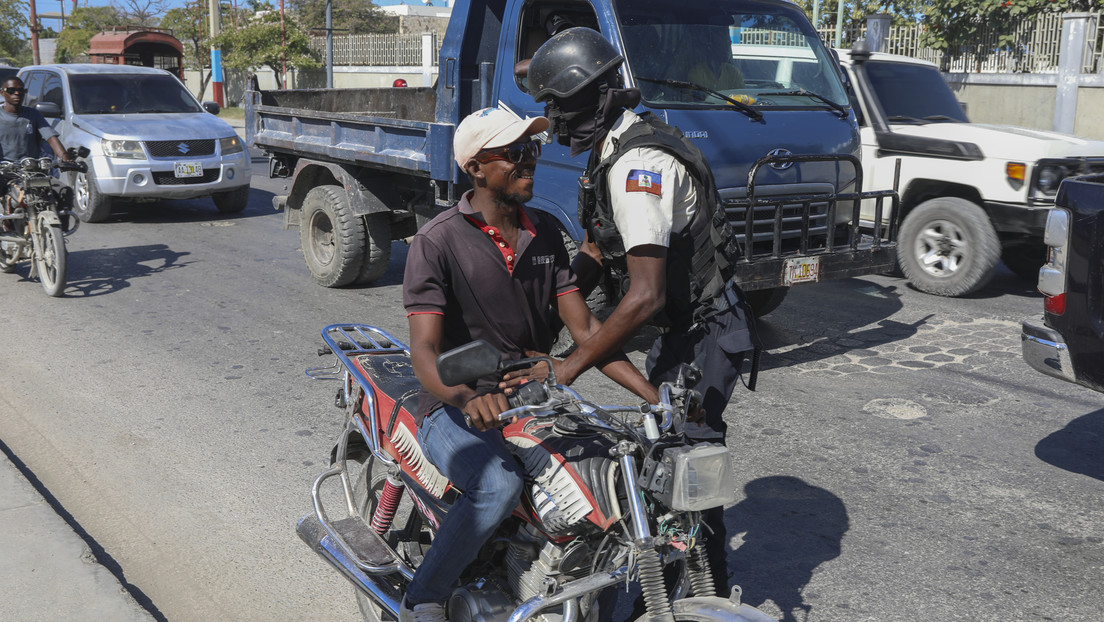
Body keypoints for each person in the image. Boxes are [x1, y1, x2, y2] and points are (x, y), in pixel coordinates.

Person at [526, 27, 761, 594]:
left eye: (559, 105)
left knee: (688, 464)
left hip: (705, 332)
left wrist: (569, 367)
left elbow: (645, 294)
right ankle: (666, 579)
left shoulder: (638, 170)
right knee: (661, 453)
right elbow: (591, 248)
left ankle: (710, 591)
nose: (553, 120)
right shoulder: (613, 146)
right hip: (680, 330)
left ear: (596, 97)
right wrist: (548, 303)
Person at [400, 107, 658, 622]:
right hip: (455, 401)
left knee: (612, 472)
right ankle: (422, 600)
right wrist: (468, 397)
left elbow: (586, 334)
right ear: (475, 168)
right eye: (514, 153)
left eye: (532, 150)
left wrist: (658, 400)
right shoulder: (438, 241)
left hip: (531, 396)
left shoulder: (542, 233)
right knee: (497, 483)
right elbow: (424, 352)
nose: (528, 162)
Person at [0, 76, 72, 223]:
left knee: (65, 191)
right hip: (5, 172)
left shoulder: (33, 114)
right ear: (2, 93)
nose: (17, 94)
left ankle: (59, 236)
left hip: (32, 171)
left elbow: (51, 138)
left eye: (21, 90)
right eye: (12, 90)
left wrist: (66, 159)